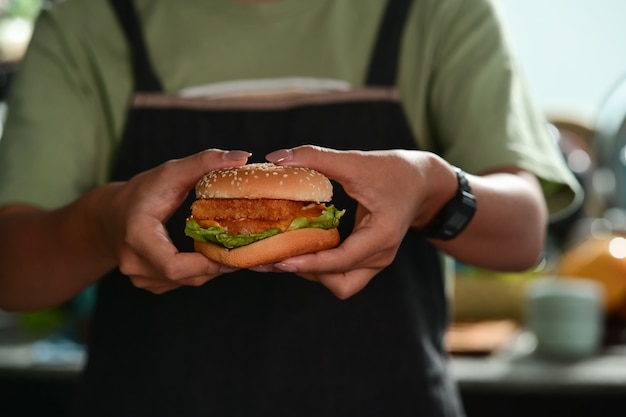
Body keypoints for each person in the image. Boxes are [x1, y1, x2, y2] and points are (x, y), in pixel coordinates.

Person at [0, 0, 582, 416]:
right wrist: (103, 221)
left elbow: (524, 235)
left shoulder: (438, 11)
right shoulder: (86, 19)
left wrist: (432, 188)